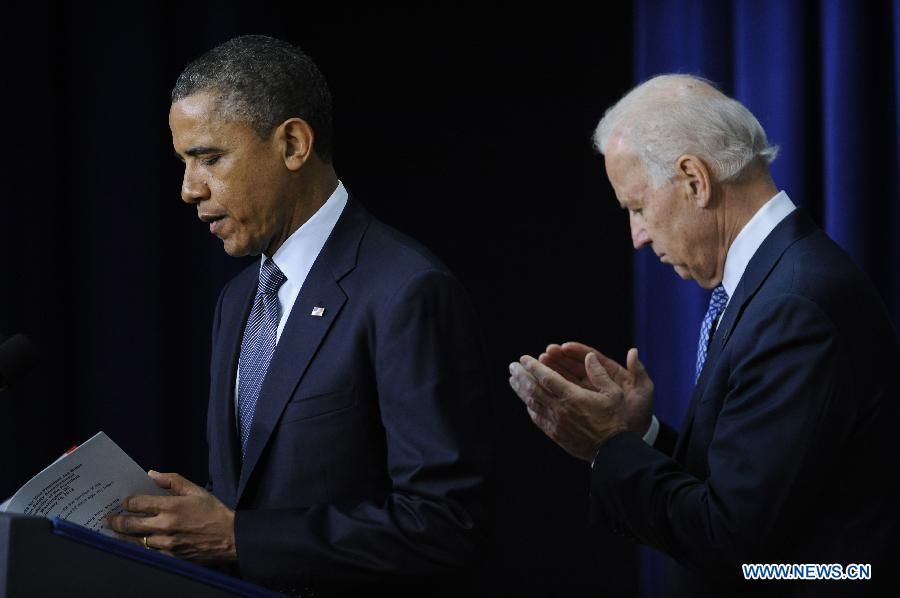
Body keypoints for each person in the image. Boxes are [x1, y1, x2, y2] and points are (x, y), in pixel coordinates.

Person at [107, 35, 492, 597]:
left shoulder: (406, 290)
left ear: (292, 144)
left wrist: (239, 537)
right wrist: (183, 530)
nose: (189, 189)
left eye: (209, 158)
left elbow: (447, 524)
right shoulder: (238, 301)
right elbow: (250, 499)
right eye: (184, 163)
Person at [508, 74, 900, 596]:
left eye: (638, 207)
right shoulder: (777, 281)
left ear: (695, 179)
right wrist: (639, 434)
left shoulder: (793, 306)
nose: (638, 237)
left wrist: (608, 445)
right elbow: (743, 487)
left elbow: (732, 542)